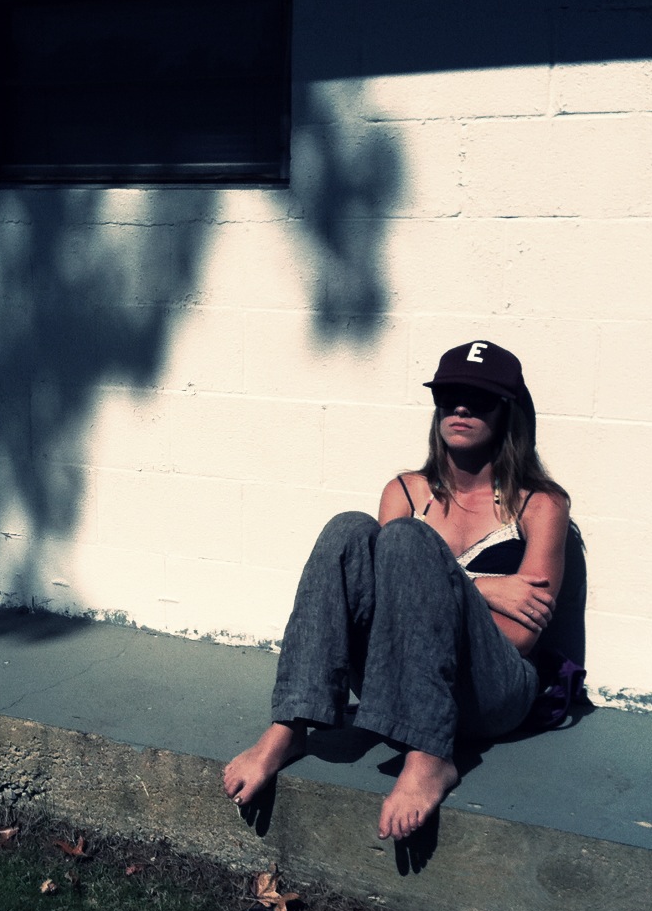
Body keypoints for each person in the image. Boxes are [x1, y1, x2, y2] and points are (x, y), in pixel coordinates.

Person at [223, 339, 572, 841]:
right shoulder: (406, 491)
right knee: (348, 528)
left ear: (506, 410)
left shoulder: (540, 505)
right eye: (448, 395)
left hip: (490, 691)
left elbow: (518, 637)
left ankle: (430, 756)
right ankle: (290, 725)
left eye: (479, 398)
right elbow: (392, 609)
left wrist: (449, 581)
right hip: (400, 682)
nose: (460, 408)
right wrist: (485, 587)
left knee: (407, 538)